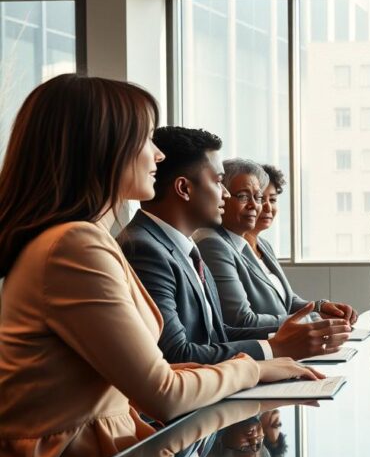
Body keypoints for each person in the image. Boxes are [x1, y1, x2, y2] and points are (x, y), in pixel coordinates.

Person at [0, 75, 321, 457]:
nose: (158, 154)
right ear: (103, 149)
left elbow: (153, 371)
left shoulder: (88, 237)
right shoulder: (73, 246)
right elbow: (163, 391)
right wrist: (254, 369)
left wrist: (262, 367)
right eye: (147, 139)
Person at [118, 126, 350, 365]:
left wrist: (297, 334)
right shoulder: (144, 249)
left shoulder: (184, 247)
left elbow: (217, 334)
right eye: (219, 181)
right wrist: (274, 348)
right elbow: (177, 355)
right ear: (184, 188)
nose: (226, 194)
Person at [198, 160, 357, 329]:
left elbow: (286, 301)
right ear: (223, 197)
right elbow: (240, 320)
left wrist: (320, 307)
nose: (256, 205)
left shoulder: (259, 245)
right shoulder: (213, 245)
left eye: (258, 197)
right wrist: (314, 320)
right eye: (244, 196)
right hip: (261, 348)